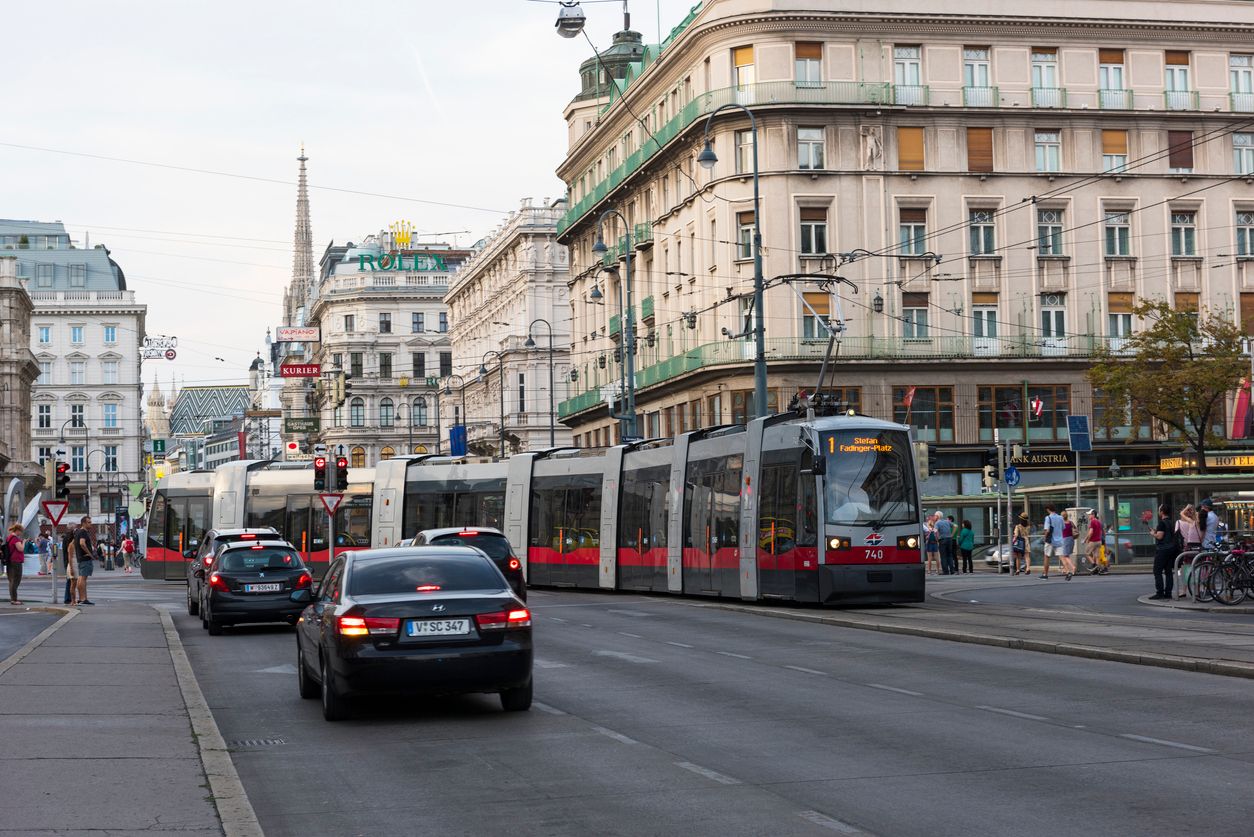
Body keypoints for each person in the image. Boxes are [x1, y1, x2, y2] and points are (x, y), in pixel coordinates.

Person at [1150, 504, 1179, 599]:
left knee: (1157, 571)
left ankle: (1160, 592)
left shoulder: (1162, 523)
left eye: (1159, 510)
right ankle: (1168, 593)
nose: (1158, 511)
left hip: (1162, 550)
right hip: (1171, 549)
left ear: (1162, 512)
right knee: (1168, 572)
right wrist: (1157, 531)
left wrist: (1153, 534)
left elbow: (1160, 536)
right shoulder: (1171, 522)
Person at [72, 517, 96, 606]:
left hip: (80, 558)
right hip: (85, 558)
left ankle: (81, 598)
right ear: (83, 523)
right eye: (89, 522)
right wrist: (90, 554)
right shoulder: (83, 532)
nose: (91, 524)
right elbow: (82, 543)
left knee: (81, 578)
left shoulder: (78, 532)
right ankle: (83, 598)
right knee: (83, 578)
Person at [1041, 504, 1064, 579]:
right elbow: (1063, 528)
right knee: (1061, 556)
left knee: (1047, 556)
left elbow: (1047, 530)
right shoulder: (1060, 517)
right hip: (1060, 539)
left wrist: (1044, 537)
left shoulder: (1048, 518)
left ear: (1048, 509)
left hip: (1050, 540)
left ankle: (1045, 574)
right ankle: (1068, 571)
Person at [5, 523, 25, 605]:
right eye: (21, 531)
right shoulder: (15, 538)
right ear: (17, 530)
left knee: (11, 580)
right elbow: (21, 549)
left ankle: (13, 598)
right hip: (16, 561)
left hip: (10, 561)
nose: (21, 533)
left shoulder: (9, 538)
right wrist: (24, 542)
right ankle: (14, 599)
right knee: (16, 580)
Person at [1059, 511, 1076, 580]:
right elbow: (1075, 528)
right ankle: (1065, 569)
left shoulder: (1061, 523)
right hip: (1071, 539)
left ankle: (1072, 567)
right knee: (1066, 555)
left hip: (1065, 539)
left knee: (1065, 556)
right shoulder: (1071, 522)